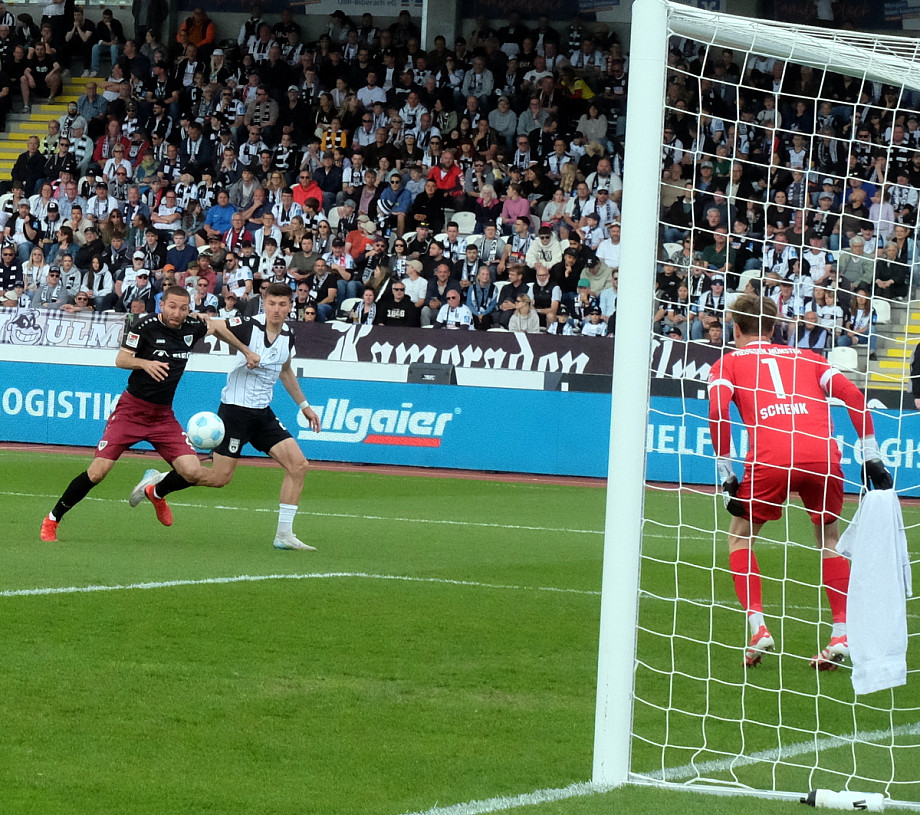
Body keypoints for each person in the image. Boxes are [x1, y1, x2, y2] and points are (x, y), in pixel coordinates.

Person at [707, 294, 892, 671]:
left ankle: (758, 629)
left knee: (740, 536)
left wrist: (726, 474)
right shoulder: (810, 358)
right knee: (830, 539)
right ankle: (841, 633)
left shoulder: (727, 363)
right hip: (822, 456)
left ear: (736, 328)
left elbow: (717, 410)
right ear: (774, 327)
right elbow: (854, 396)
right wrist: (871, 454)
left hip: (772, 457)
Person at [40, 286, 260, 542]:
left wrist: (245, 351)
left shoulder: (193, 326)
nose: (177, 313)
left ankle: (155, 492)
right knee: (98, 472)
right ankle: (52, 519)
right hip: (131, 412)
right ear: (162, 305)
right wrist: (145, 363)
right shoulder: (145, 326)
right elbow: (121, 359)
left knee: (192, 471)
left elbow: (216, 327)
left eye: (183, 308)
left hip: (162, 417)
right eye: (172, 306)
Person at [129, 282, 322, 551]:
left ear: (291, 306)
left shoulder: (289, 334)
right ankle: (158, 483)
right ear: (264, 304)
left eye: (282, 304)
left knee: (298, 466)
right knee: (219, 478)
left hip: (263, 414)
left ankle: (284, 535)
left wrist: (304, 405)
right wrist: (244, 349)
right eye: (271, 304)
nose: (277, 309)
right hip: (235, 412)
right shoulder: (249, 326)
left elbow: (285, 370)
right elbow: (215, 326)